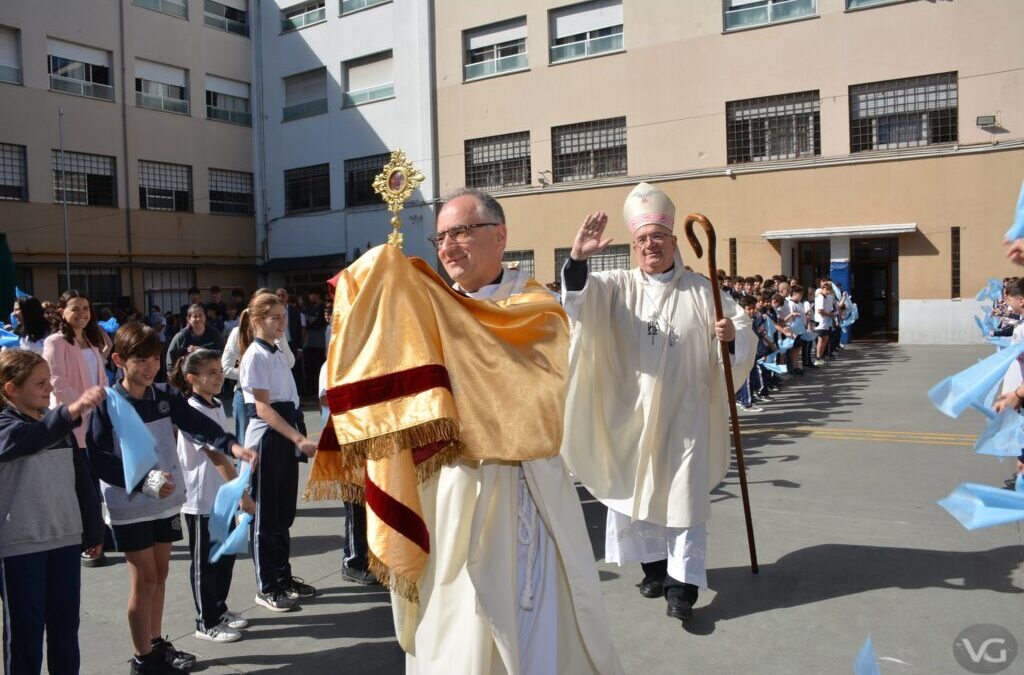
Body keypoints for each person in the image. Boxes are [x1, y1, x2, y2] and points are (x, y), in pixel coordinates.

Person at [349, 188, 623, 674]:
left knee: (535, 623)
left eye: (461, 232)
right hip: (451, 493)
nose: (448, 246)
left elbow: (527, 393)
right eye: (440, 237)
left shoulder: (535, 308)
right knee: (457, 629)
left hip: (527, 490)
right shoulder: (426, 310)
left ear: (499, 236)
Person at [559, 182, 755, 623]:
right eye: (643, 239)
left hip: (687, 418)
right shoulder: (616, 286)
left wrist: (731, 337)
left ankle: (683, 586)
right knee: (637, 493)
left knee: (684, 500)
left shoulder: (703, 291)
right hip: (632, 413)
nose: (651, 246)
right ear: (635, 246)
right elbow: (577, 303)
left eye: (659, 239)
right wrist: (578, 259)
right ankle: (654, 569)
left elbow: (741, 335)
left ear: (673, 243)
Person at [87, 323, 254, 675]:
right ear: (118, 360)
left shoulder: (165, 396)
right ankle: (142, 659)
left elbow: (199, 425)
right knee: (144, 578)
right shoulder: (108, 403)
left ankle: (155, 642)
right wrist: (144, 481)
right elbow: (99, 458)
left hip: (165, 501)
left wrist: (231, 445)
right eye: (140, 360)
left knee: (161, 573)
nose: (150, 367)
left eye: (154, 359)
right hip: (129, 505)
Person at [0, 350, 105, 675]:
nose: (49, 388)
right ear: (11, 390)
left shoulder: (53, 423)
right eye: (40, 383)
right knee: (25, 636)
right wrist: (71, 411)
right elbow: (27, 439)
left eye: (48, 381)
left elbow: (81, 480)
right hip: (21, 547)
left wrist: (93, 528)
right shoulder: (7, 425)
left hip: (64, 541)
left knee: (65, 629)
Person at [238, 292, 317, 612]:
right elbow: (262, 409)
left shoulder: (276, 351)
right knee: (266, 515)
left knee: (283, 512)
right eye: (275, 318)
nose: (282, 323)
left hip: (283, 433)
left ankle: (283, 576)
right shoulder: (255, 355)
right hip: (268, 438)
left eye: (284, 317)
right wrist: (298, 438)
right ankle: (266, 584)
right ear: (257, 322)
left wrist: (295, 436)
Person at [169, 350, 254, 644]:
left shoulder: (217, 403)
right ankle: (206, 621)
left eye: (220, 370)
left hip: (222, 499)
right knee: (206, 563)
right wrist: (242, 495)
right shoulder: (192, 410)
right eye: (211, 373)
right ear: (192, 379)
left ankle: (218, 609)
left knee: (225, 558)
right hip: (202, 501)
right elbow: (217, 456)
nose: (219, 377)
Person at [317, 360, 376, 586]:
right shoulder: (332, 361)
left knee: (369, 505)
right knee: (355, 506)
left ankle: (370, 558)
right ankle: (353, 561)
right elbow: (325, 399)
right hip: (346, 438)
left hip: (367, 438)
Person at [222, 289, 295, 442]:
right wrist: (248, 375)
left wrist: (280, 339)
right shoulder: (239, 334)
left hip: (274, 400)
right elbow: (225, 367)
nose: (281, 320)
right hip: (246, 396)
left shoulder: (276, 335)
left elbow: (290, 363)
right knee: (248, 447)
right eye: (275, 316)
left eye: (282, 315)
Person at [165, 304, 224, 378]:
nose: (198, 319)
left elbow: (222, 354)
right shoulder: (181, 337)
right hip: (187, 380)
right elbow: (171, 359)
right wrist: (174, 378)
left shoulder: (214, 334)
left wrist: (203, 351)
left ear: (205, 317)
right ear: (188, 319)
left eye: (200, 315)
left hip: (210, 379)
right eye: (195, 316)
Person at [275, 288, 305, 396]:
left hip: (292, 344)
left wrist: (299, 348)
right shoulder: (273, 311)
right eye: (278, 295)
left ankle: (297, 395)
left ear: (287, 296)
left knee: (295, 370)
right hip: (277, 345)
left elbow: (299, 331)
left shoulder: (294, 311)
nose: (280, 297)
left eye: (282, 295)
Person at [813, 278, 835, 367]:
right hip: (820, 322)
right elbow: (820, 311)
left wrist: (832, 315)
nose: (828, 291)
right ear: (822, 289)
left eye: (829, 289)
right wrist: (829, 315)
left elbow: (830, 309)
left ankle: (820, 357)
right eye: (826, 289)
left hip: (826, 323)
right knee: (821, 339)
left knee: (825, 339)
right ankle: (817, 358)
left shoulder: (828, 297)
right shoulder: (820, 297)